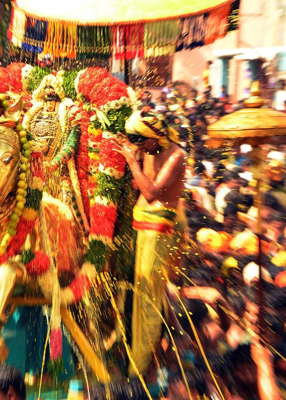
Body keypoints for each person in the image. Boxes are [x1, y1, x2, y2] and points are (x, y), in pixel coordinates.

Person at [113, 111, 186, 375]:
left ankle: (140, 369)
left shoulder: (177, 155)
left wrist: (132, 160)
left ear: (155, 136)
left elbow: (152, 193)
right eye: (137, 141)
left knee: (148, 299)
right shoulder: (149, 149)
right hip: (138, 226)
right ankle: (130, 353)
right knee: (132, 292)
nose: (140, 147)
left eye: (143, 141)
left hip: (157, 231)